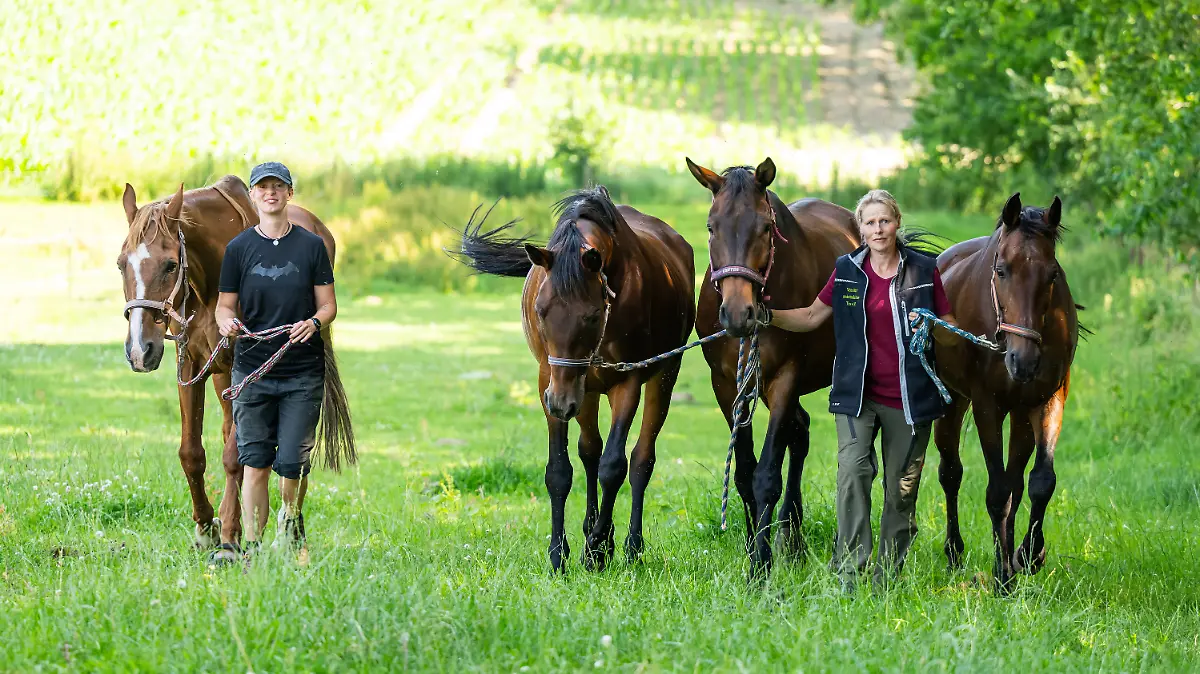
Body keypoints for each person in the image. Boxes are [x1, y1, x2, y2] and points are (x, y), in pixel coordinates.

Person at [765, 189, 958, 590]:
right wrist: (765, 315)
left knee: (900, 491)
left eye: (884, 220)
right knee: (853, 474)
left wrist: (936, 326)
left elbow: (950, 330)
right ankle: (849, 574)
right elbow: (811, 316)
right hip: (857, 397)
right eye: (870, 223)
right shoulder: (847, 270)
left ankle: (886, 579)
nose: (878, 229)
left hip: (909, 400)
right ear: (861, 228)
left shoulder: (924, 271)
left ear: (897, 222)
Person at [215, 162, 337, 559]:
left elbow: (328, 305)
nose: (271, 193)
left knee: (291, 464)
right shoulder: (238, 249)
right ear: (253, 196)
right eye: (263, 187)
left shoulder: (311, 247)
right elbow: (224, 306)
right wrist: (227, 322)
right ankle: (253, 550)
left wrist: (314, 322)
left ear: (289, 194)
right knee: (254, 463)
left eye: (278, 187)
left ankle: (290, 517)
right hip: (252, 373)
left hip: (302, 372)